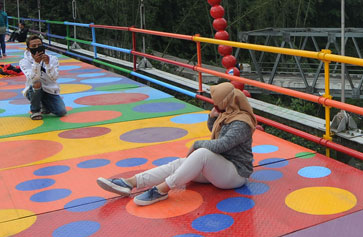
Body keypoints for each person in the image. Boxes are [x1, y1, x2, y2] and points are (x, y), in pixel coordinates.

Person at [97, 81, 256, 206]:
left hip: (236, 174)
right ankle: (131, 182)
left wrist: (196, 144)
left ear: (227, 102)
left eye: (217, 104)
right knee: (180, 163)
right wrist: (212, 116)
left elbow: (222, 145)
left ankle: (162, 189)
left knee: (202, 153)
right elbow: (215, 130)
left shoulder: (241, 123)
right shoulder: (228, 114)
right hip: (221, 167)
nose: (216, 107)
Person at [19, 35, 66, 120]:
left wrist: (48, 64)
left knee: (61, 111)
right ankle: (35, 111)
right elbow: (33, 78)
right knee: (37, 83)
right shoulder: (24, 62)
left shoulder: (53, 59)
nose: (37, 48)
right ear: (28, 49)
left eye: (39, 45)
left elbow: (54, 77)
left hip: (50, 89)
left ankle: (44, 104)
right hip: (33, 89)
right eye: (33, 46)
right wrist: (36, 63)